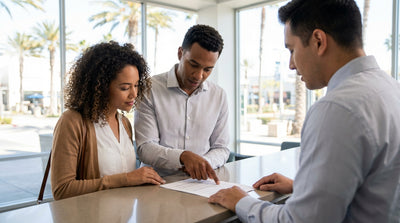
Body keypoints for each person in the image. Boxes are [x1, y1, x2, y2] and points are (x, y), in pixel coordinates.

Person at [209, 0, 400, 222]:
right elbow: (377, 183)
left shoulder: (337, 108)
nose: (291, 64)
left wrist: (240, 200)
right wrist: (303, 186)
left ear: (318, 41)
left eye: (292, 50)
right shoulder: (392, 89)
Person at [51, 41, 165, 200]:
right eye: (125, 88)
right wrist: (125, 179)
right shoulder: (72, 121)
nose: (134, 94)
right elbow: (62, 189)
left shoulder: (124, 123)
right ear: (101, 86)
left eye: (136, 85)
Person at [134, 24, 229, 184]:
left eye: (208, 69)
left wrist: (203, 165)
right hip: (157, 186)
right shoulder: (150, 89)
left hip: (201, 185)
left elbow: (221, 147)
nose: (199, 75)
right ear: (180, 53)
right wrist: (183, 157)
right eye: (193, 64)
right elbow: (145, 147)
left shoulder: (218, 95)